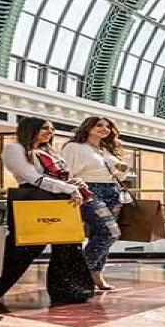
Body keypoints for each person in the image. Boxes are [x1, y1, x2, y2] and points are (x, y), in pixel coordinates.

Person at [0, 117, 93, 305]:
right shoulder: (14, 148)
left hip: (60, 199)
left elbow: (63, 176)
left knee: (68, 245)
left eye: (51, 129)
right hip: (33, 199)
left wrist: (75, 184)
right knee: (25, 246)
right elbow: (30, 177)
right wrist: (68, 188)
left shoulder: (49, 151)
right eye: (44, 128)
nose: (50, 132)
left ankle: (72, 291)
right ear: (29, 129)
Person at [60, 116, 131, 291]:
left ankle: (96, 275)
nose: (104, 129)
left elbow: (118, 176)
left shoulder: (106, 149)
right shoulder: (74, 147)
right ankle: (79, 273)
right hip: (88, 191)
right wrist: (72, 189)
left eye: (108, 126)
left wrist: (122, 170)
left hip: (112, 191)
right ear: (88, 127)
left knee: (99, 234)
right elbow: (66, 172)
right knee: (110, 232)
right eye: (99, 125)